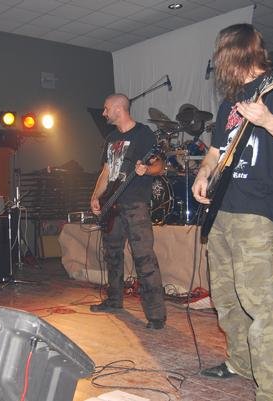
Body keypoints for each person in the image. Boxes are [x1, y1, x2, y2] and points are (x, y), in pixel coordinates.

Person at [191, 24, 273, 401]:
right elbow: (216, 151)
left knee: (262, 305)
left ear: (234, 54)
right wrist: (203, 175)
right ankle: (241, 364)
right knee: (227, 301)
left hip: (255, 214)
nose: (217, 65)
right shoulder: (229, 103)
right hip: (221, 211)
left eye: (220, 57)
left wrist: (267, 120)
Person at [89, 93, 167, 329]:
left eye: (106, 109)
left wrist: (147, 170)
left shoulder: (143, 134)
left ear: (118, 109)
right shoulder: (111, 138)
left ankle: (156, 316)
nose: (104, 113)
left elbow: (160, 165)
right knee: (112, 255)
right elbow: (106, 172)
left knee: (144, 258)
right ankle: (114, 300)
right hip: (111, 205)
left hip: (135, 205)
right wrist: (95, 196)